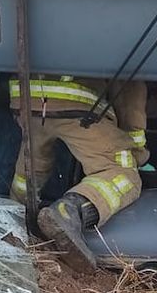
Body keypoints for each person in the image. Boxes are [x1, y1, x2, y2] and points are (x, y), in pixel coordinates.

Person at [9, 76, 148, 271]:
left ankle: (9, 221)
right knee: (125, 175)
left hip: (26, 100)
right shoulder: (117, 43)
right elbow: (129, 89)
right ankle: (67, 212)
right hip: (77, 99)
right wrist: (137, 152)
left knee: (30, 171)